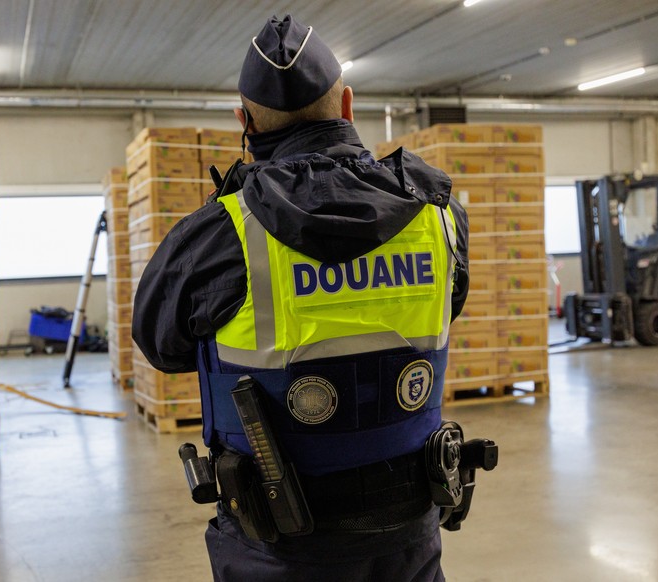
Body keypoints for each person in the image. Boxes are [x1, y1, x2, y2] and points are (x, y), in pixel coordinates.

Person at [132, 14, 469, 582]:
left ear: (244, 121)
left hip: (278, 544)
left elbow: (162, 346)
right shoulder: (439, 216)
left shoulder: (218, 235)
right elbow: (448, 305)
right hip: (409, 533)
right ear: (348, 105)